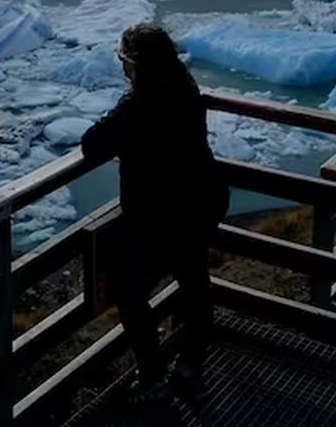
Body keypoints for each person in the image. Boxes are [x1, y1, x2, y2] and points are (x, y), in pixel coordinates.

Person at [80, 21, 227, 401]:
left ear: (134, 63)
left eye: (123, 61)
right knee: (195, 284)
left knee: (130, 293)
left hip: (157, 215)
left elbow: (93, 145)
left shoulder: (139, 103)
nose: (122, 68)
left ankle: (153, 376)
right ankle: (191, 367)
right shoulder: (185, 87)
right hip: (200, 202)